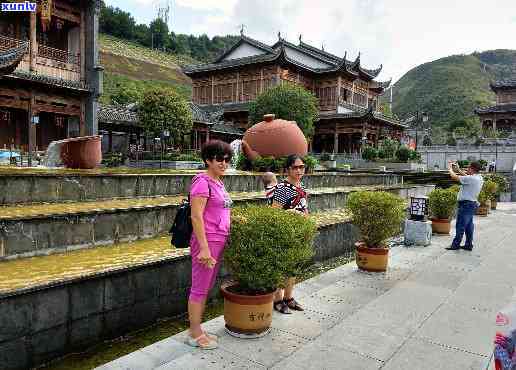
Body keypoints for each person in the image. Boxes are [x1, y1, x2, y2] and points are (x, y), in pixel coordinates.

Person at [187, 140, 233, 350]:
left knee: (205, 286)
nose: (224, 163)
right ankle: (194, 333)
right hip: (207, 241)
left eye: (227, 159)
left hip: (218, 238)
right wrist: (204, 248)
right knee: (199, 287)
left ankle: (198, 328)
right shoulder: (202, 182)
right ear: (208, 160)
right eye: (219, 159)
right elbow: (196, 216)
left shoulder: (218, 182)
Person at [271, 155, 308, 314]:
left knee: (293, 265)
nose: (299, 170)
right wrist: (291, 213)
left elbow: (305, 208)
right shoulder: (282, 188)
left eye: (302, 167)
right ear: (288, 169)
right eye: (295, 167)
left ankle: (289, 297)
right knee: (280, 266)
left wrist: (307, 220)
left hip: (298, 231)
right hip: (283, 232)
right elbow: (273, 212)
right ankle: (278, 300)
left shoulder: (302, 186)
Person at [446, 160, 484, 251]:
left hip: (466, 205)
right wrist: (458, 170)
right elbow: (467, 177)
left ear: (472, 169)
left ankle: (455, 244)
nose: (467, 169)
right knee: (469, 226)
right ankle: (468, 244)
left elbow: (454, 177)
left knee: (460, 225)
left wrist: (450, 169)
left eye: (468, 167)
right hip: (471, 204)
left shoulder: (472, 179)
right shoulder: (478, 178)